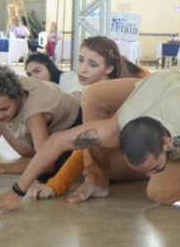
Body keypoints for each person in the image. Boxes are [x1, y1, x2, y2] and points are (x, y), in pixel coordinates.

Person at [0, 71, 180, 224]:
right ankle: (98, 182)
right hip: (157, 83)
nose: (149, 175)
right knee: (92, 95)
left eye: (154, 167)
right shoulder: (113, 128)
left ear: (167, 143)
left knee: (161, 193)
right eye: (144, 170)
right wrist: (16, 192)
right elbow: (57, 142)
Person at [26, 37, 151, 200]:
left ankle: (97, 183)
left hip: (142, 157)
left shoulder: (109, 94)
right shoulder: (96, 88)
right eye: (81, 60)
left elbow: (90, 142)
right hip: (127, 151)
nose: (82, 69)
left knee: (81, 155)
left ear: (109, 68)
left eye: (92, 65)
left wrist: (56, 184)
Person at [0, 64, 81, 179]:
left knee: (43, 172)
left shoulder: (34, 116)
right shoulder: (9, 80)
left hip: (68, 130)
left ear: (17, 97)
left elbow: (46, 164)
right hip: (35, 132)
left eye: (4, 109)